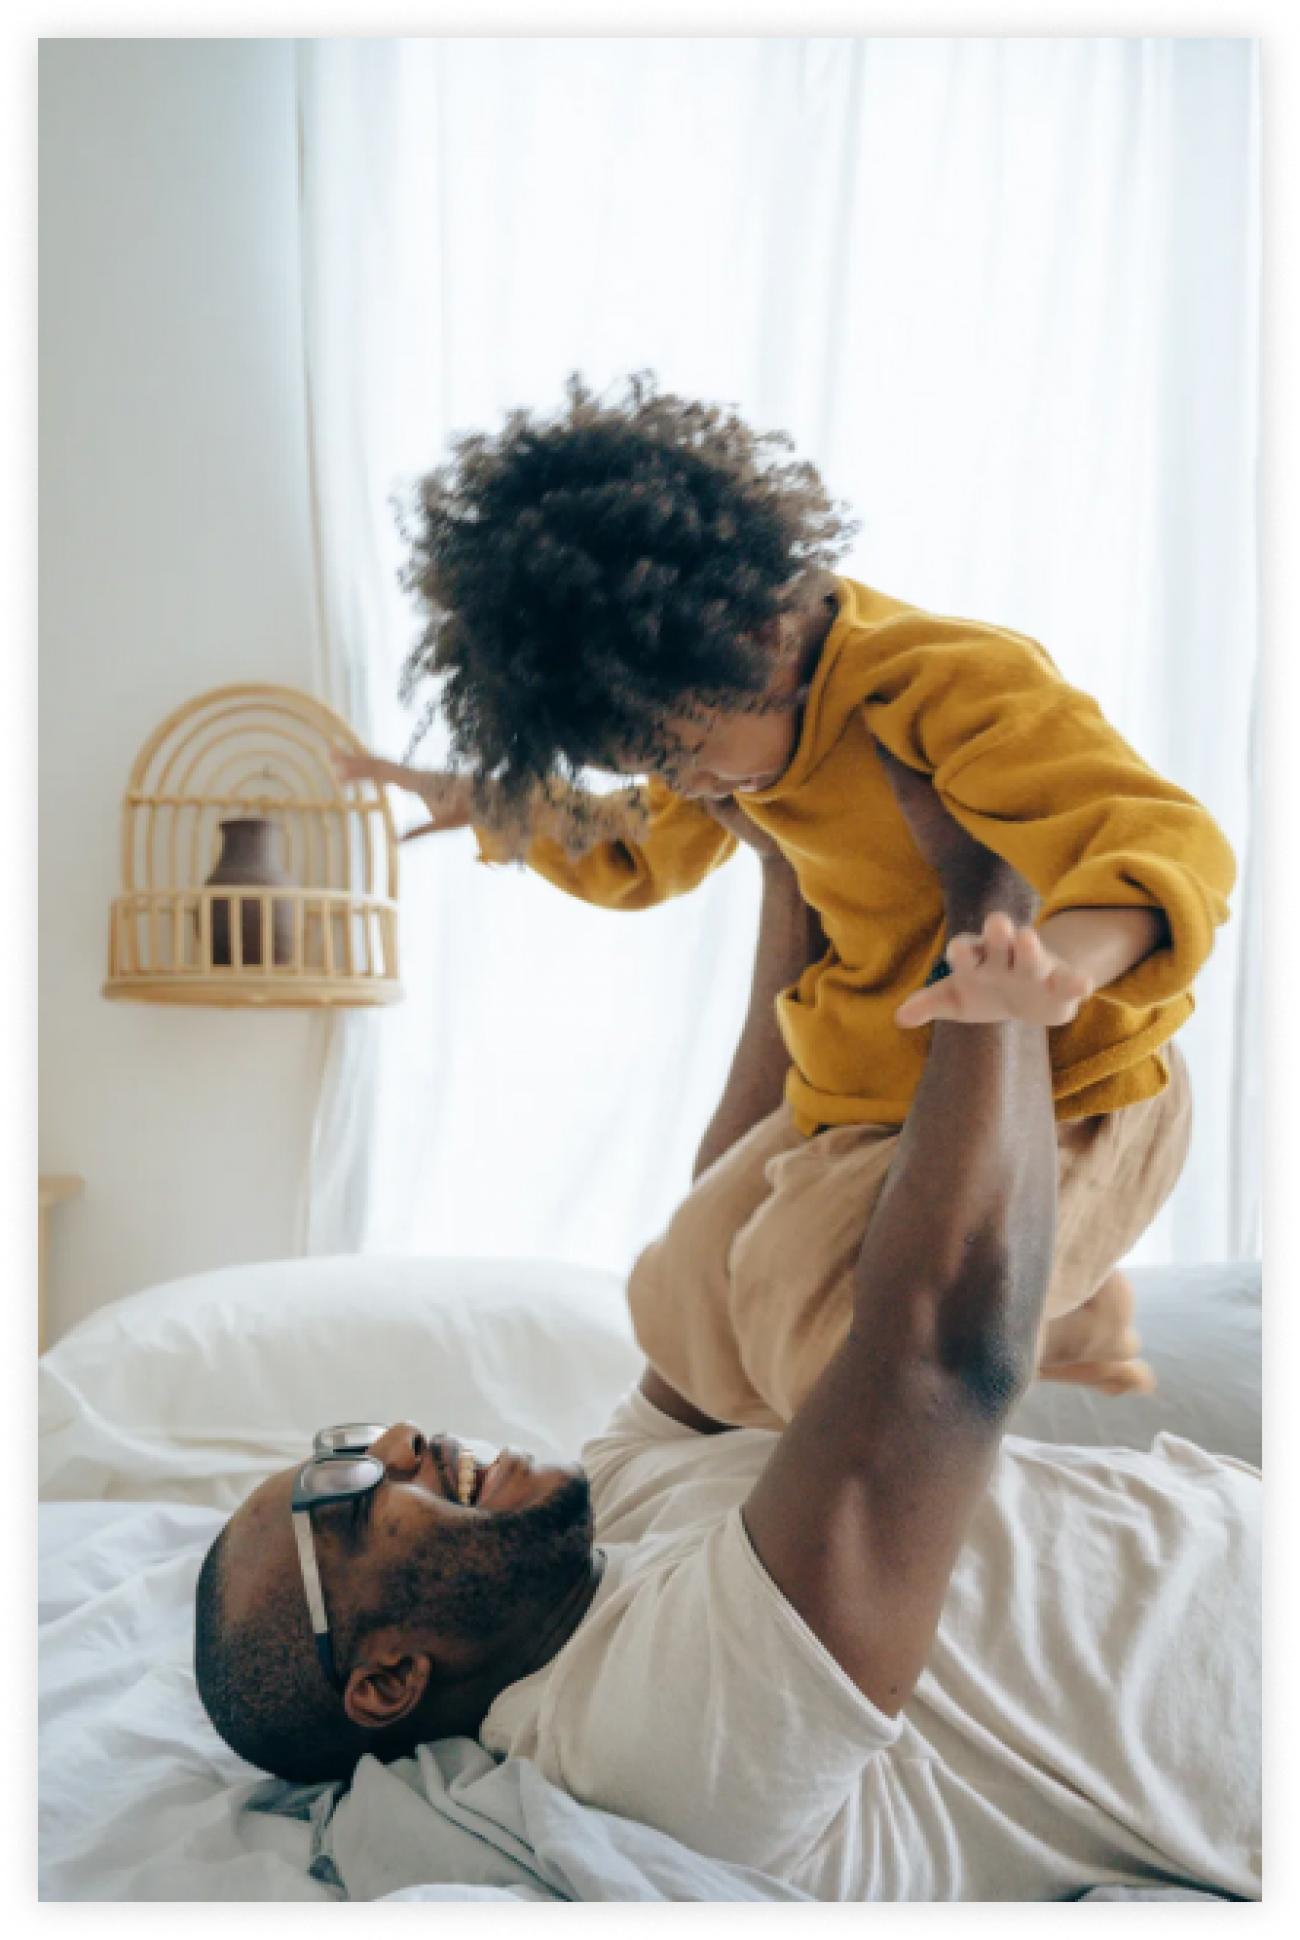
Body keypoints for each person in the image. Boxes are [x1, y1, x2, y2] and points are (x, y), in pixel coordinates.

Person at [194, 758, 1260, 1902]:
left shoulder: (596, 1526)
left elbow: (737, 1238)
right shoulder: (650, 1732)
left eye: (346, 1433)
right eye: (346, 1490)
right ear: (386, 1680)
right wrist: (980, 899)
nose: (399, 1435)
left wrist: (782, 863)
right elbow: (946, 1362)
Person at [338, 371, 1236, 1425]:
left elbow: (1153, 838)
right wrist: (498, 807)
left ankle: (1056, 1315)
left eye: (682, 755)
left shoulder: (937, 682)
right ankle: (1054, 1321)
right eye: (654, 765)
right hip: (866, 1093)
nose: (687, 787)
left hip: (1072, 1089)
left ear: (757, 637)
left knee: (841, 1351)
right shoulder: (730, 741)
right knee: (677, 1291)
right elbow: (637, 850)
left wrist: (1057, 969)